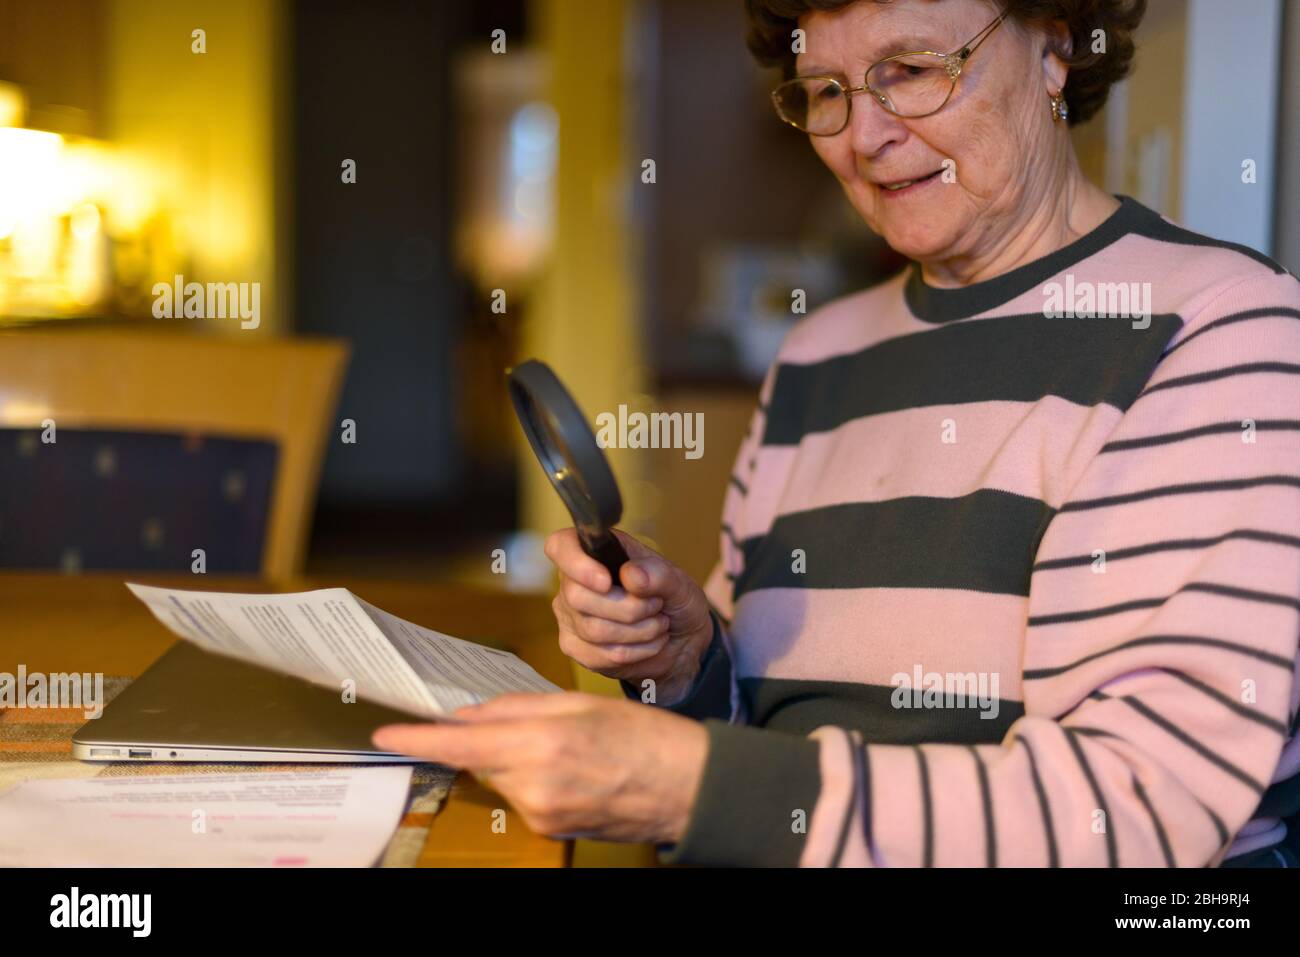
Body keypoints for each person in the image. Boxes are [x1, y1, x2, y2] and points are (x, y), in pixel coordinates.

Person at [375, 0, 1300, 866]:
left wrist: (680, 784)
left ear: (1054, 47)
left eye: (911, 69)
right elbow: (764, 729)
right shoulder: (818, 353)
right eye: (826, 92)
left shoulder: (1216, 332)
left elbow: (1135, 810)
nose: (864, 136)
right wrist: (690, 659)